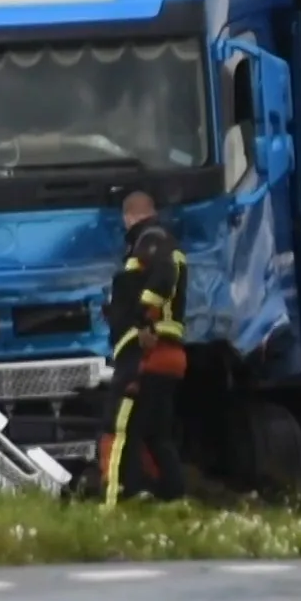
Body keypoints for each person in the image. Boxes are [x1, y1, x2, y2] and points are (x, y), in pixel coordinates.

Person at [98, 190, 190, 506]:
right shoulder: (161, 241)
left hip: (146, 354)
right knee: (155, 435)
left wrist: (141, 320)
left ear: (130, 217)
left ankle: (114, 502)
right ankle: (172, 500)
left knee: (117, 428)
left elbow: (163, 277)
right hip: (170, 355)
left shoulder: (151, 238)